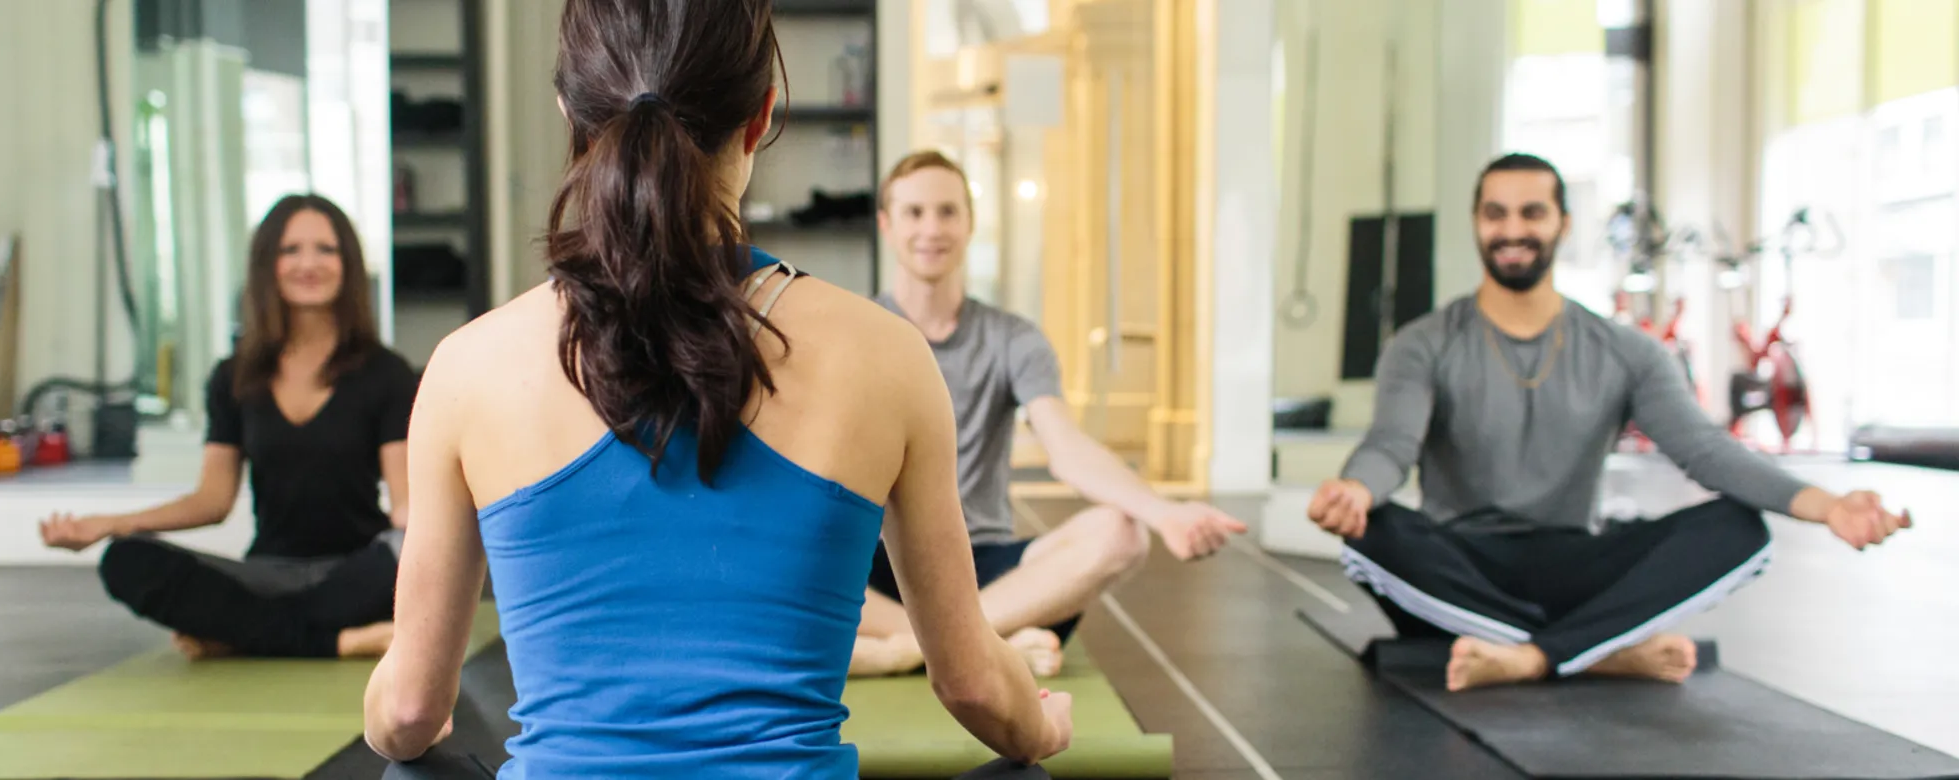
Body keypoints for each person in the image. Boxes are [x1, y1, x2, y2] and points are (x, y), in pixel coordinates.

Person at [361, 2, 1071, 778]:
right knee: (1021, 769)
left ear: (570, 107)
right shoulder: (886, 354)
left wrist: (385, 694)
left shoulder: (468, 365)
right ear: (763, 114)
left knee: (411, 770)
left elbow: (407, 714)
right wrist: (1039, 728)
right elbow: (969, 683)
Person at [1307, 153, 1913, 692]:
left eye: (1532, 212)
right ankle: (1597, 650)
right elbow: (1391, 443)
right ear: (1476, 222)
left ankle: (1535, 656)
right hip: (1462, 571)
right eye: (1495, 214)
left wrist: (1829, 506)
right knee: (1375, 532)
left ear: (1563, 225)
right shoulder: (1423, 344)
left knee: (1738, 530)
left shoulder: (1625, 350)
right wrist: (1355, 490)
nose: (1512, 230)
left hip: (1578, 565)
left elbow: (1704, 450)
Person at [850, 151, 1250, 680]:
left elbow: (1068, 450)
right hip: (873, 564)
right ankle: (981, 647)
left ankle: (909, 650)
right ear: (887, 224)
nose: (932, 228)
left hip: (981, 569)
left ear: (969, 223)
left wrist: (1164, 513)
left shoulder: (1013, 338)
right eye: (914, 212)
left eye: (947, 212)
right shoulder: (856, 331)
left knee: (1120, 534)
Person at [38, 194, 418, 661]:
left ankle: (242, 632)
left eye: (326, 249)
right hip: (267, 574)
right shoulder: (235, 377)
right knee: (126, 559)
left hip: (361, 572)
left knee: (409, 549)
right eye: (290, 250)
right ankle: (342, 639)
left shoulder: (388, 374)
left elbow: (404, 506)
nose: (309, 264)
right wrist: (109, 524)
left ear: (349, 265)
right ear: (267, 266)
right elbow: (212, 501)